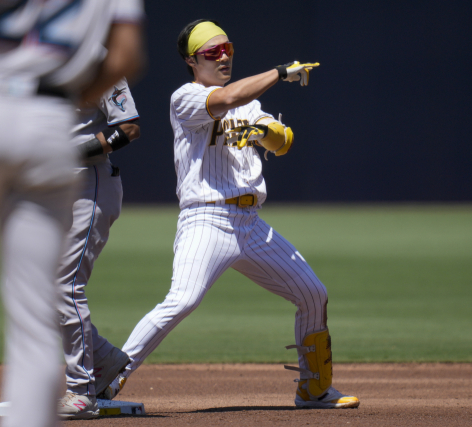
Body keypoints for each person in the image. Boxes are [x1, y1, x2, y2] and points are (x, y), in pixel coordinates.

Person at [0, 1, 144, 427]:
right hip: (45, 132)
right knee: (38, 305)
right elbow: (131, 53)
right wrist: (62, 100)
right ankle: (104, 361)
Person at [103, 19, 360, 410]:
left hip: (251, 225)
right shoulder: (184, 98)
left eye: (228, 49)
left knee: (313, 294)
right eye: (212, 52)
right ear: (193, 61)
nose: (223, 57)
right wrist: (279, 72)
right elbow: (223, 102)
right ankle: (104, 381)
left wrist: (264, 132)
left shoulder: (249, 103)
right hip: (207, 219)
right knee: (182, 300)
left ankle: (314, 389)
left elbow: (283, 142)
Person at [57, 79, 141, 420]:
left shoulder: (102, 62)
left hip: (87, 182)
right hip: (45, 185)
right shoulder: (31, 53)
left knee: (64, 286)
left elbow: (129, 128)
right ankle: (104, 360)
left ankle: (80, 391)